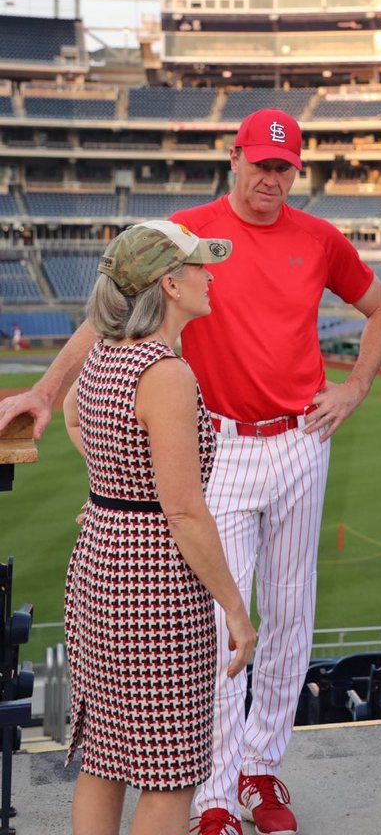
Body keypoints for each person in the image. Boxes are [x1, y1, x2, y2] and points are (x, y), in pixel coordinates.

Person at [0, 109, 381, 835]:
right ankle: (211, 794)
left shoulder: (319, 238)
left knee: (291, 615)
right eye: (260, 163)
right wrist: (45, 390)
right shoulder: (188, 234)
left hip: (300, 438)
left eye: (284, 167)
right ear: (234, 157)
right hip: (215, 440)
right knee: (214, 620)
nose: (270, 178)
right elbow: (107, 313)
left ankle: (260, 769)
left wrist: (356, 387)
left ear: (295, 169)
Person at [61, 219, 257, 835]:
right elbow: (185, 513)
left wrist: (111, 488)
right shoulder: (166, 374)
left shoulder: (103, 355)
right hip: (154, 591)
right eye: (200, 266)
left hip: (99, 563)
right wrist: (235, 608)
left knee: (103, 758)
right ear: (170, 285)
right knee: (169, 774)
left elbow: (72, 413)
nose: (210, 276)